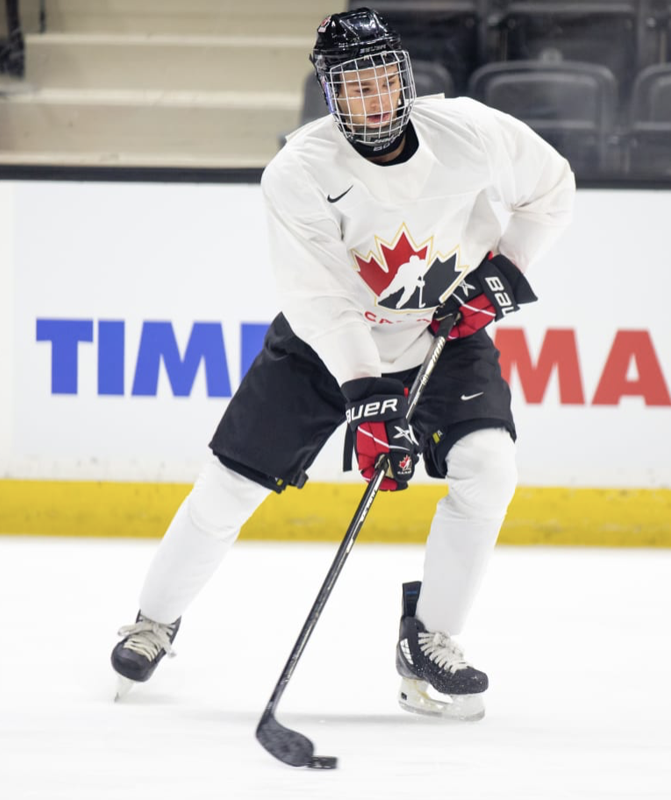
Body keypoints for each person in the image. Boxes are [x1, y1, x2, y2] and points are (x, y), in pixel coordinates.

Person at [111, 7, 575, 721]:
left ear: (405, 79)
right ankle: (152, 622)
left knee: (489, 471)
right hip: (324, 345)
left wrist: (505, 274)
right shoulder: (299, 171)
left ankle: (431, 641)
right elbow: (322, 301)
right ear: (330, 95)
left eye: (384, 81)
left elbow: (553, 187)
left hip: (443, 333)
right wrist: (368, 399)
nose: (374, 100)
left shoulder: (471, 132)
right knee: (228, 488)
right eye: (354, 88)